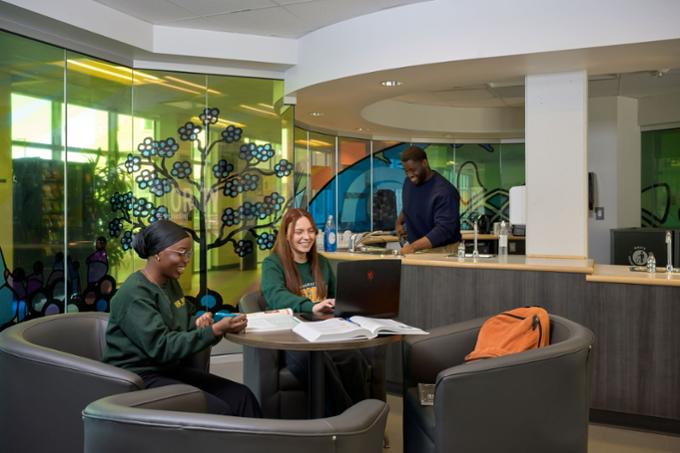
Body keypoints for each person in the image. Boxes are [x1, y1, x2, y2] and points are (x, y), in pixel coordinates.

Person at [103, 219, 261, 417]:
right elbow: (162, 347)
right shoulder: (135, 294)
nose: (186, 260)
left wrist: (199, 322)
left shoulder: (170, 284)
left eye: (189, 253)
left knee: (242, 396)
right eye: (181, 253)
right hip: (139, 377)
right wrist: (214, 331)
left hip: (168, 370)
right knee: (219, 410)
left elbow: (183, 320)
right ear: (158, 254)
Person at [261, 208, 375, 416]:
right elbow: (275, 295)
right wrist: (310, 305)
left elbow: (338, 297)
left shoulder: (321, 262)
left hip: (325, 333)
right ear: (286, 234)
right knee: (320, 364)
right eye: (299, 232)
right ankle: (348, 422)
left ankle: (363, 417)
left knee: (353, 358)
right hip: (292, 340)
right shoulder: (273, 264)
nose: (306, 237)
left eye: (311, 231)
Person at [395, 145, 461, 254]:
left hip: (443, 250)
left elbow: (444, 230)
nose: (409, 175)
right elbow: (408, 205)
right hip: (417, 248)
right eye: (406, 171)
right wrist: (398, 223)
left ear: (424, 163)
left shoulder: (445, 191)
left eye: (413, 170)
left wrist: (412, 247)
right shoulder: (408, 182)